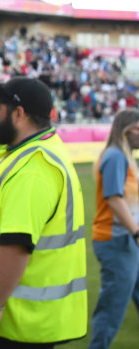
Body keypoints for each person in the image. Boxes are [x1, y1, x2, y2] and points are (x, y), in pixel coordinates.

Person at [0, 77, 87, 348]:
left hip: (15, 324)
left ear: (18, 114)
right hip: (15, 317)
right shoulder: (24, 153)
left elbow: (16, 245)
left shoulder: (34, 167)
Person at [89, 109, 139, 349]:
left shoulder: (122, 155)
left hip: (124, 239)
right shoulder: (115, 156)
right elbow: (114, 198)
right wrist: (136, 232)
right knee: (113, 305)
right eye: (138, 129)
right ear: (126, 130)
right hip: (116, 240)